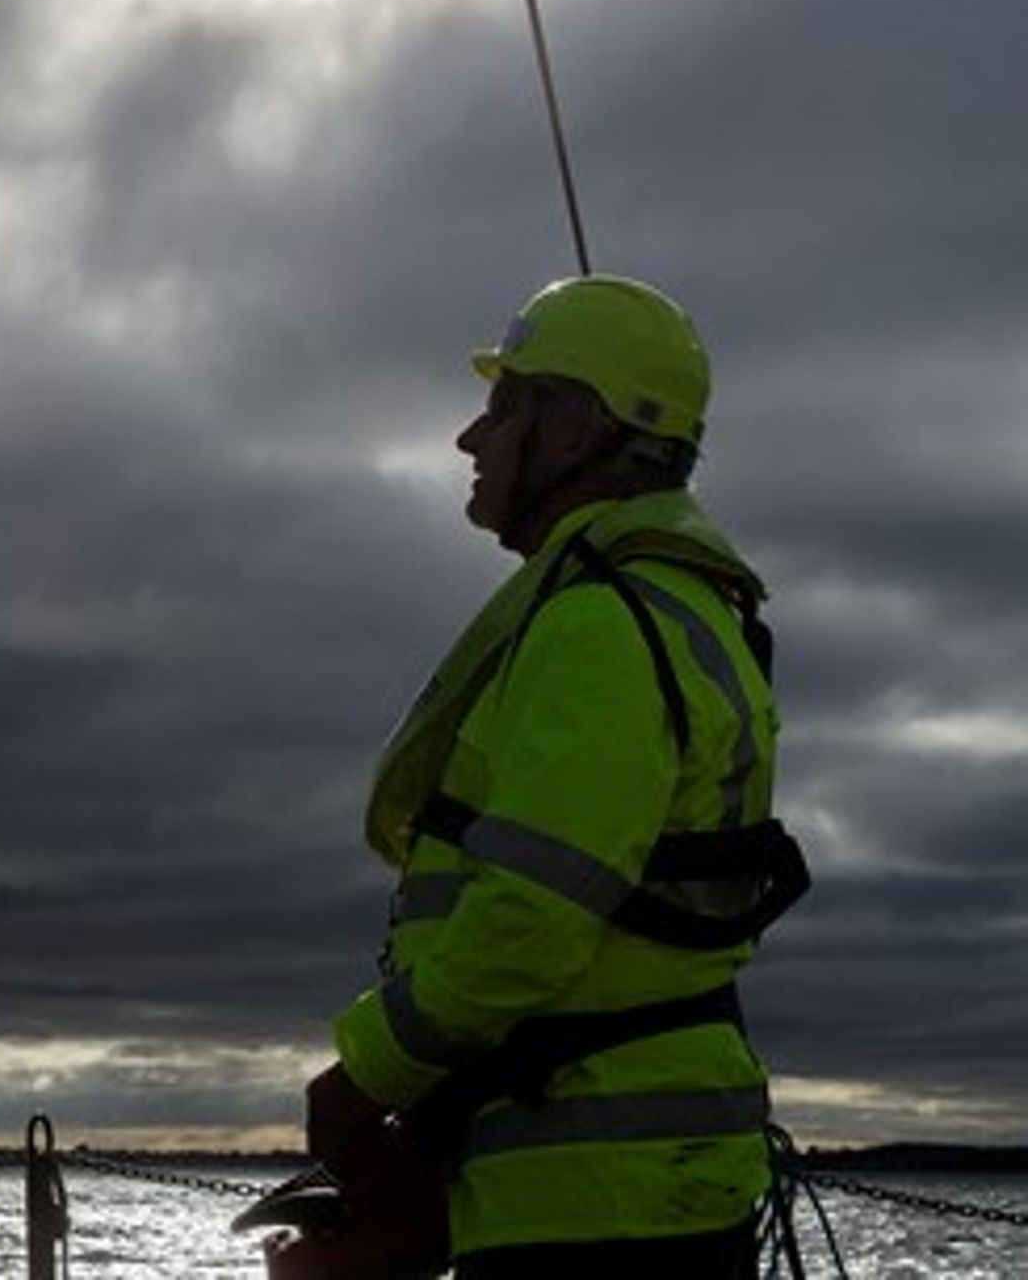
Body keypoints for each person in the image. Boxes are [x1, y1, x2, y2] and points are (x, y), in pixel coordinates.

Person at [298, 275, 806, 1279]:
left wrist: (361, 1078)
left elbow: (532, 916)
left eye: (502, 405)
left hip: (590, 1195)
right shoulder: (686, 609)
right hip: (640, 1183)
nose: (469, 439)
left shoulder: (593, 626)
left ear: (572, 433)